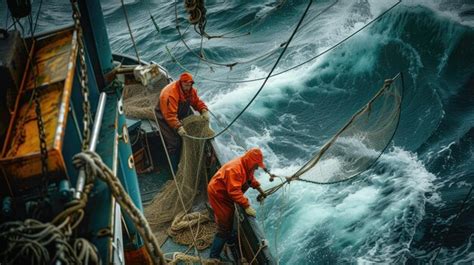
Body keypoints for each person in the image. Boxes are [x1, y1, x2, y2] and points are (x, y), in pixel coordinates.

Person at [207, 148, 274, 260]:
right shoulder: (235, 169)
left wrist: (260, 189)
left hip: (226, 193)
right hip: (218, 194)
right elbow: (234, 191)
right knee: (224, 225)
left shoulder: (247, 165)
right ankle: (214, 256)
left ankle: (229, 239)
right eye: (256, 165)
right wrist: (246, 205)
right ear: (251, 162)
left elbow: (250, 179)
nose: (257, 167)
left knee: (229, 218)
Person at [155, 72, 209, 170]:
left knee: (191, 134)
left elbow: (196, 101)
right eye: (185, 85)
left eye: (189, 85)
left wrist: (203, 110)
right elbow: (170, 115)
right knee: (174, 143)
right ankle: (174, 169)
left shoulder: (191, 90)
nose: (187, 87)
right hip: (164, 116)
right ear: (180, 83)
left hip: (179, 113)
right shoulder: (171, 94)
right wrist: (178, 127)